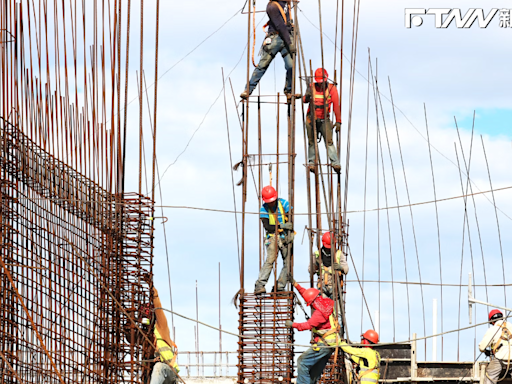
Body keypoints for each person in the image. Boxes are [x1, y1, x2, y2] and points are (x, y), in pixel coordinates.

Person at [285, 280, 341, 384]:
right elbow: (309, 294)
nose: (310, 306)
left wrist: (293, 324)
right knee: (314, 373)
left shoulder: (319, 314)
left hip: (324, 345)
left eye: (310, 304)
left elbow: (307, 325)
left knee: (302, 362)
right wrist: (296, 285)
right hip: (331, 345)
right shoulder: (327, 303)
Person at [240, 1, 297, 101]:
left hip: (287, 37)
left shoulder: (286, 3)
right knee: (262, 65)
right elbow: (281, 26)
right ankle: (248, 90)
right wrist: (290, 43)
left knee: (291, 66)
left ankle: (289, 91)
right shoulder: (272, 6)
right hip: (276, 38)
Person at [255, 185, 293, 294]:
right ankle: (260, 285)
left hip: (285, 237)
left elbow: (290, 217)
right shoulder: (263, 209)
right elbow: (267, 227)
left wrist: (290, 230)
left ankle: (279, 287)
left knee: (288, 263)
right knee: (270, 261)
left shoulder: (284, 204)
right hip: (272, 237)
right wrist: (282, 226)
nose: (271, 203)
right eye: (269, 201)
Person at [303, 68, 342, 173]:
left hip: (324, 120)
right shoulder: (312, 87)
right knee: (312, 142)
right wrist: (307, 95)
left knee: (329, 142)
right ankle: (312, 162)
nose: (320, 84)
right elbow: (304, 100)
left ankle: (335, 163)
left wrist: (338, 121)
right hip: (311, 119)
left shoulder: (331, 88)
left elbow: (336, 106)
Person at [310, 231, 349, 299]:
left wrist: (340, 268)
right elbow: (310, 270)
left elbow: (346, 269)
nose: (329, 249)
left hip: (335, 289)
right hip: (322, 288)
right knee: (324, 308)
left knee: (337, 309)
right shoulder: (317, 254)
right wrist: (315, 264)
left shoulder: (339, 254)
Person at [478, 309, 512, 384]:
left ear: (492, 321)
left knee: (490, 376)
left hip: (501, 356)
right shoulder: (511, 326)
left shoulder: (493, 329)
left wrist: (486, 351)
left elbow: (482, 347)